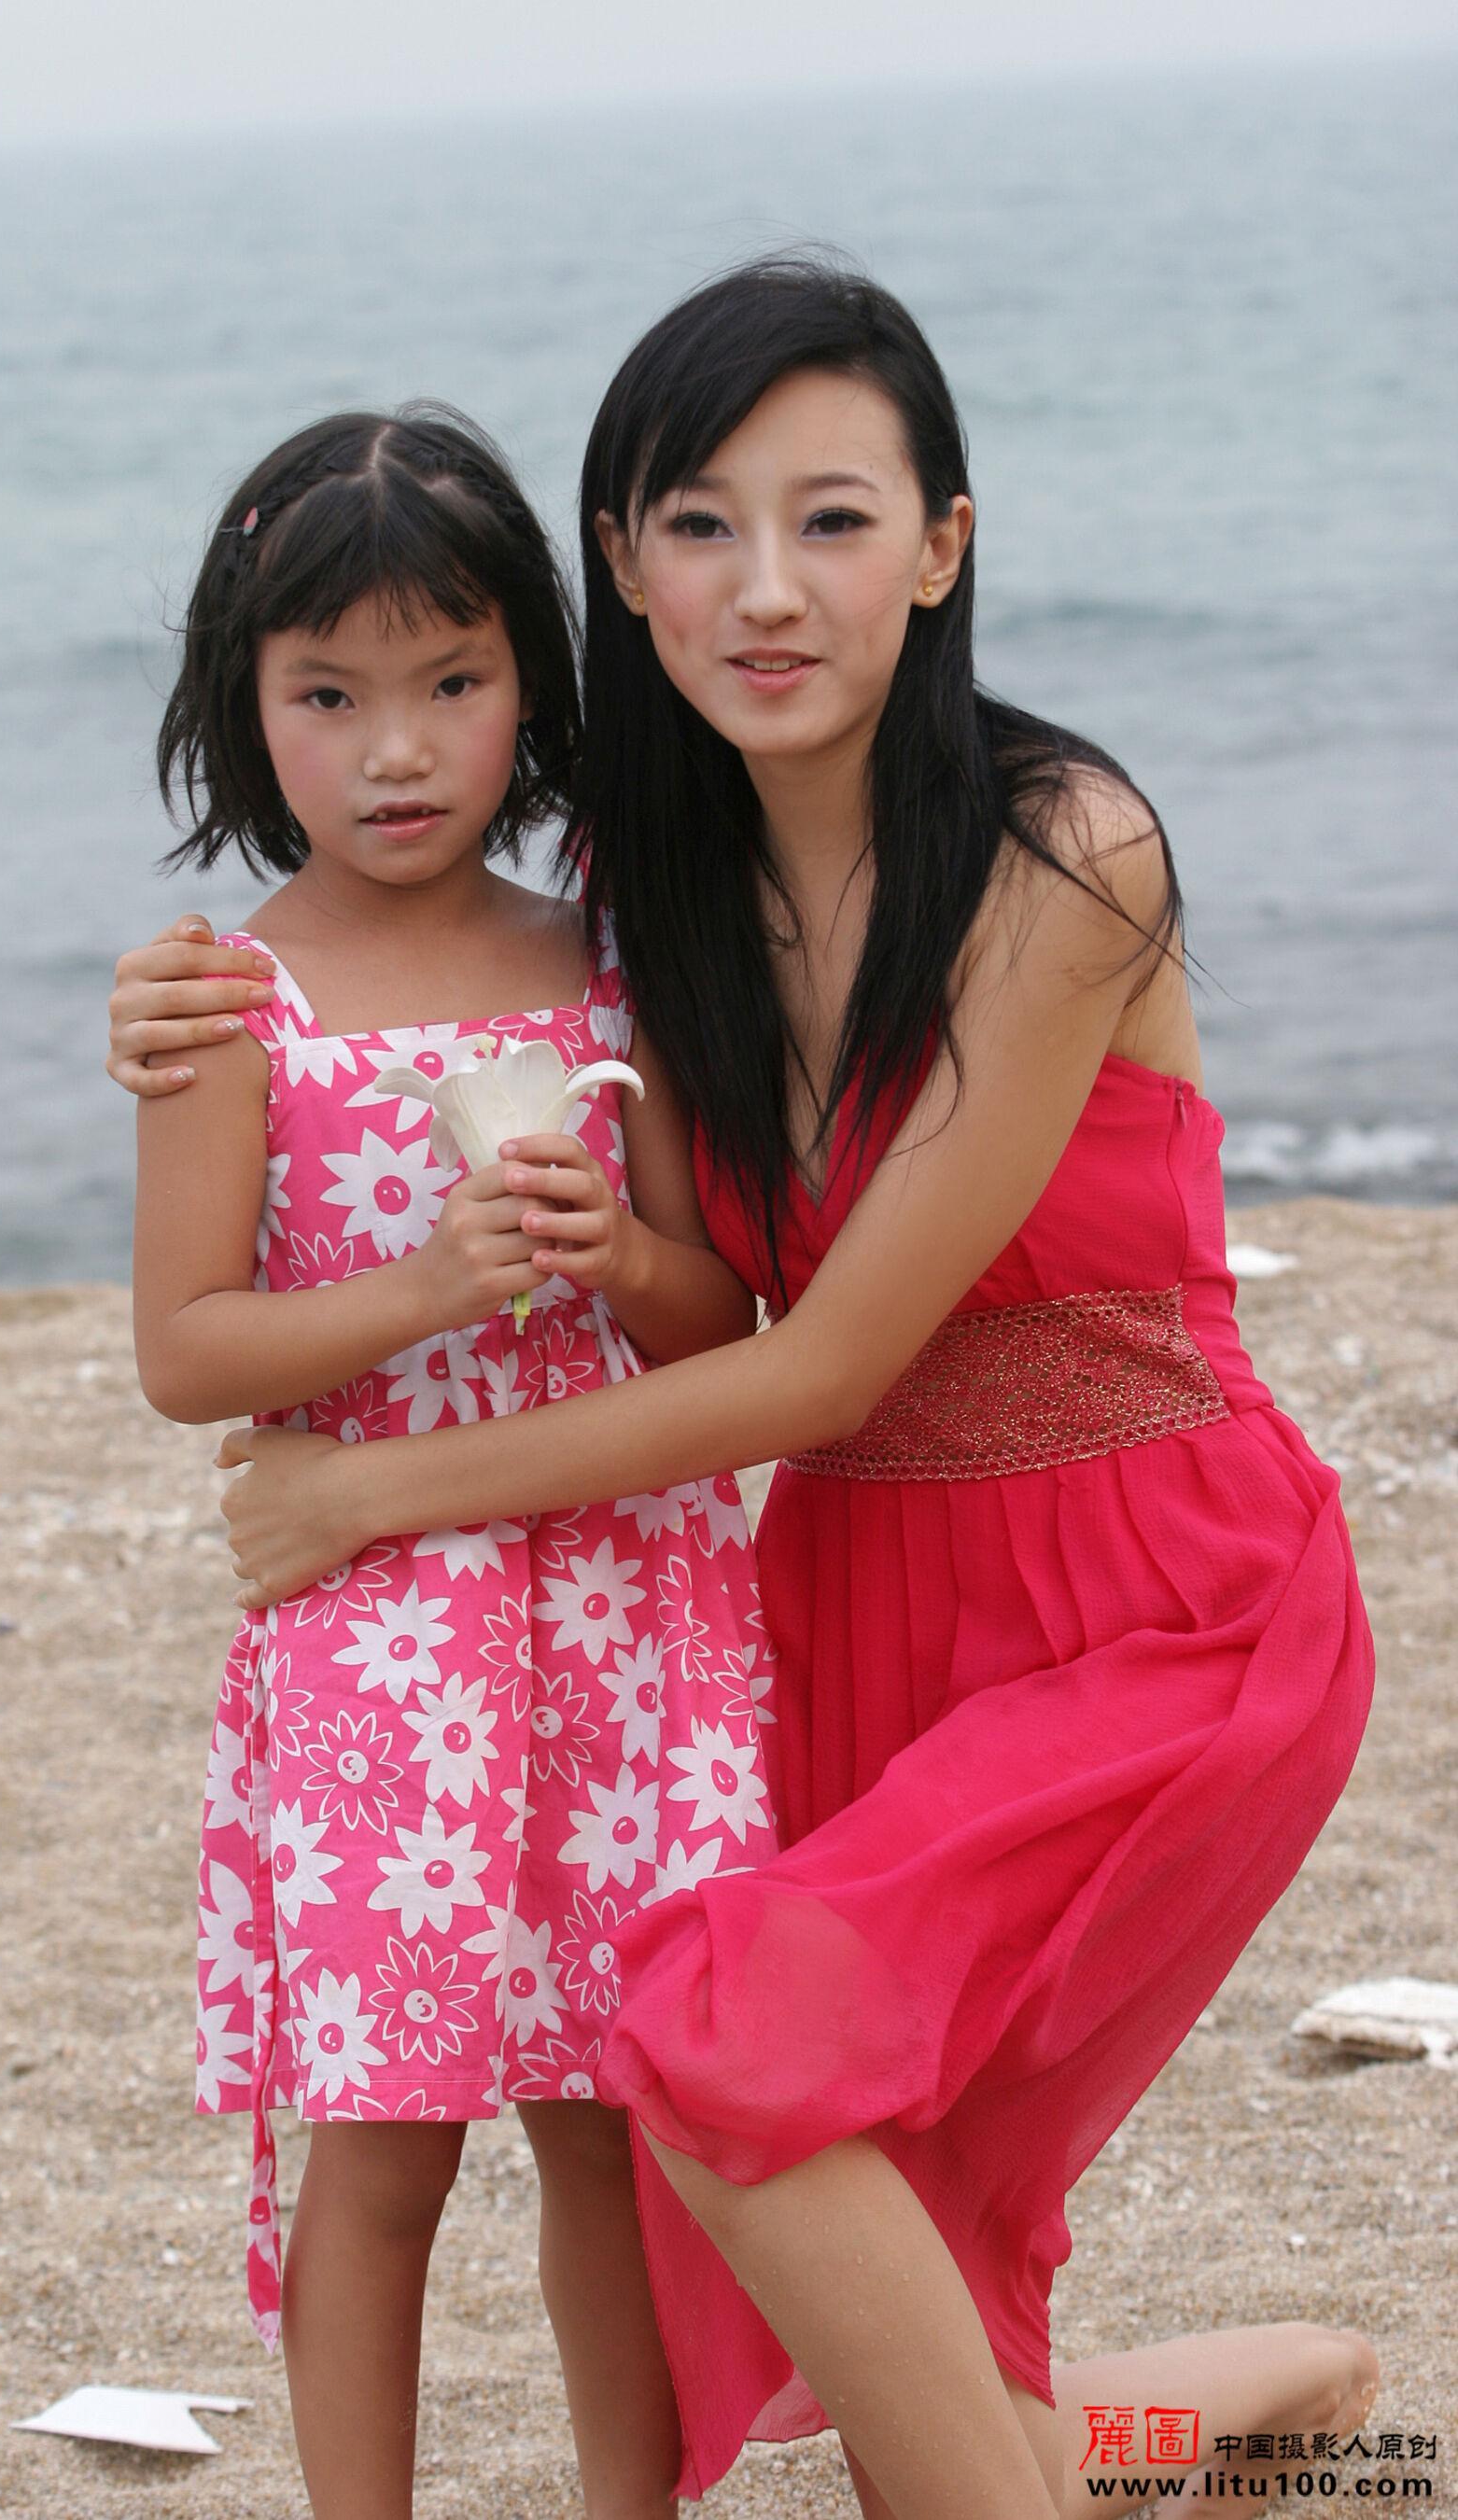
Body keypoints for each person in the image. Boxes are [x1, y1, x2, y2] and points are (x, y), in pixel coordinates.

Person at [109, 265, 1378, 2519]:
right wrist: (170, 1012)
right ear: (622, 563)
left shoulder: (1058, 855)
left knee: (708, 2049)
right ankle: (1275, 2401)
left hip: (1156, 1590)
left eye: (835, 521)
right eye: (701, 524)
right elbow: (384, 1048)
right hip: (858, 1596)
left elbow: (824, 1360)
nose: (766, 589)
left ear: (944, 546)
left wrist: (375, 1495)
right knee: (914, 2336)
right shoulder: (649, 887)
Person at [130, 402, 778, 2520]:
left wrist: (621, 1253)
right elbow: (186, 1349)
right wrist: (427, 1285)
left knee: (614, 2125)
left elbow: (718, 1325)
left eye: (453, 681)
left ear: (533, 683)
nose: (395, 749)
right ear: (245, 705)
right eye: (327, 695)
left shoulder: (612, 959)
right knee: (386, 2139)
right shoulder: (229, 1004)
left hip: (624, 1612)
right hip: (378, 1635)